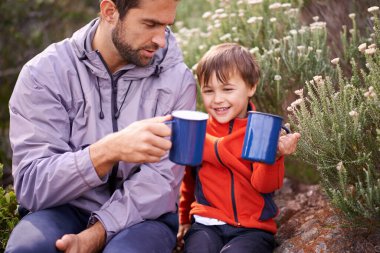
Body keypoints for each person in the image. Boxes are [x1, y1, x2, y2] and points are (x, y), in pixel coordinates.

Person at [6, 0, 196, 252]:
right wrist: (106, 152)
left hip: (145, 218)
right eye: (150, 24)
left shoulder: (177, 80)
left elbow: (160, 182)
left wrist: (97, 234)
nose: (161, 40)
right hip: (63, 209)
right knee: (28, 249)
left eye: (166, 26)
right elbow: (32, 185)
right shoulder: (44, 74)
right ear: (110, 11)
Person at [175, 43, 301, 253]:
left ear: (251, 86)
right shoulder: (200, 130)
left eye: (227, 89)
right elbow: (189, 178)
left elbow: (264, 185)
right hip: (206, 223)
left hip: (252, 230)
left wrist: (276, 155)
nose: (217, 99)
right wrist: (184, 218)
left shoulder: (261, 130)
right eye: (208, 91)